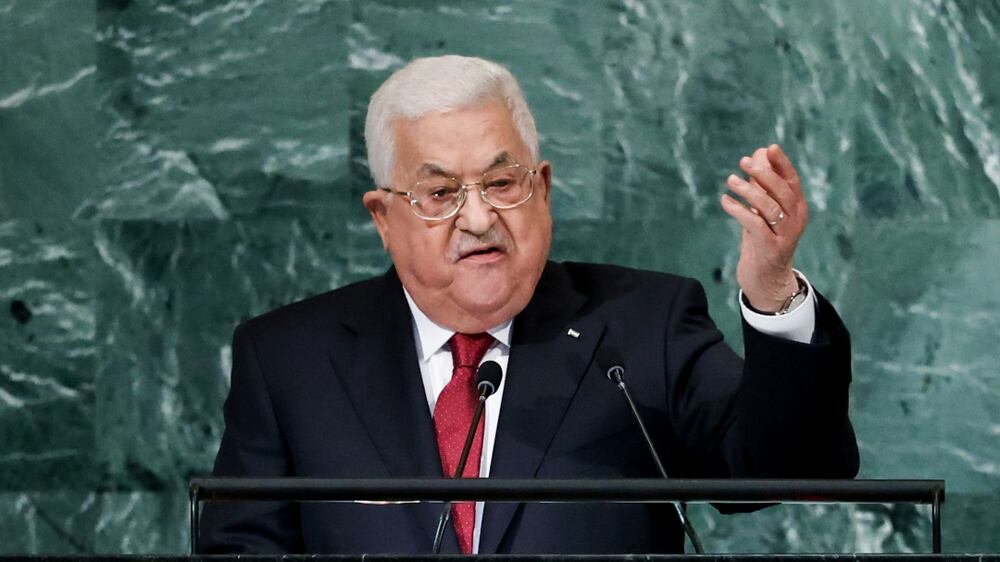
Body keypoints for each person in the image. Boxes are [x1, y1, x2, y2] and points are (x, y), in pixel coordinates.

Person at [200, 55, 858, 555]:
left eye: (501, 181)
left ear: (541, 188)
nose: (480, 216)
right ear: (383, 217)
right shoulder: (290, 360)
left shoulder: (641, 326)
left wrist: (772, 290)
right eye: (439, 194)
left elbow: (790, 470)